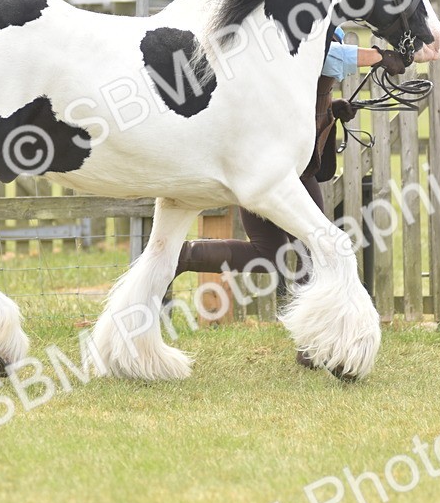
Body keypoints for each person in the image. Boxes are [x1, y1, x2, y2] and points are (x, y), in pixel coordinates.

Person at [170, 27, 407, 365]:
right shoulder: (304, 31)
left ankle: (180, 258)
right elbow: (331, 58)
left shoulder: (325, 28)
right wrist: (379, 57)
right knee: (311, 248)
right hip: (270, 169)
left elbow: (312, 82)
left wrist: (330, 108)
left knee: (275, 253)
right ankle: (309, 346)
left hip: (286, 167)